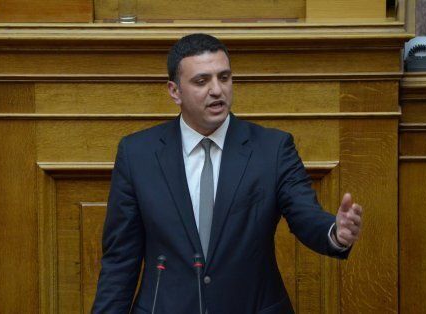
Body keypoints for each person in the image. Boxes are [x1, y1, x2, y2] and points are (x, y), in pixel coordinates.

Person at [92, 33, 363, 314]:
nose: (217, 90)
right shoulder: (138, 154)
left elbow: (304, 214)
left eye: (224, 77)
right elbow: (120, 259)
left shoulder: (272, 148)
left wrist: (334, 232)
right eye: (201, 81)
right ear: (175, 91)